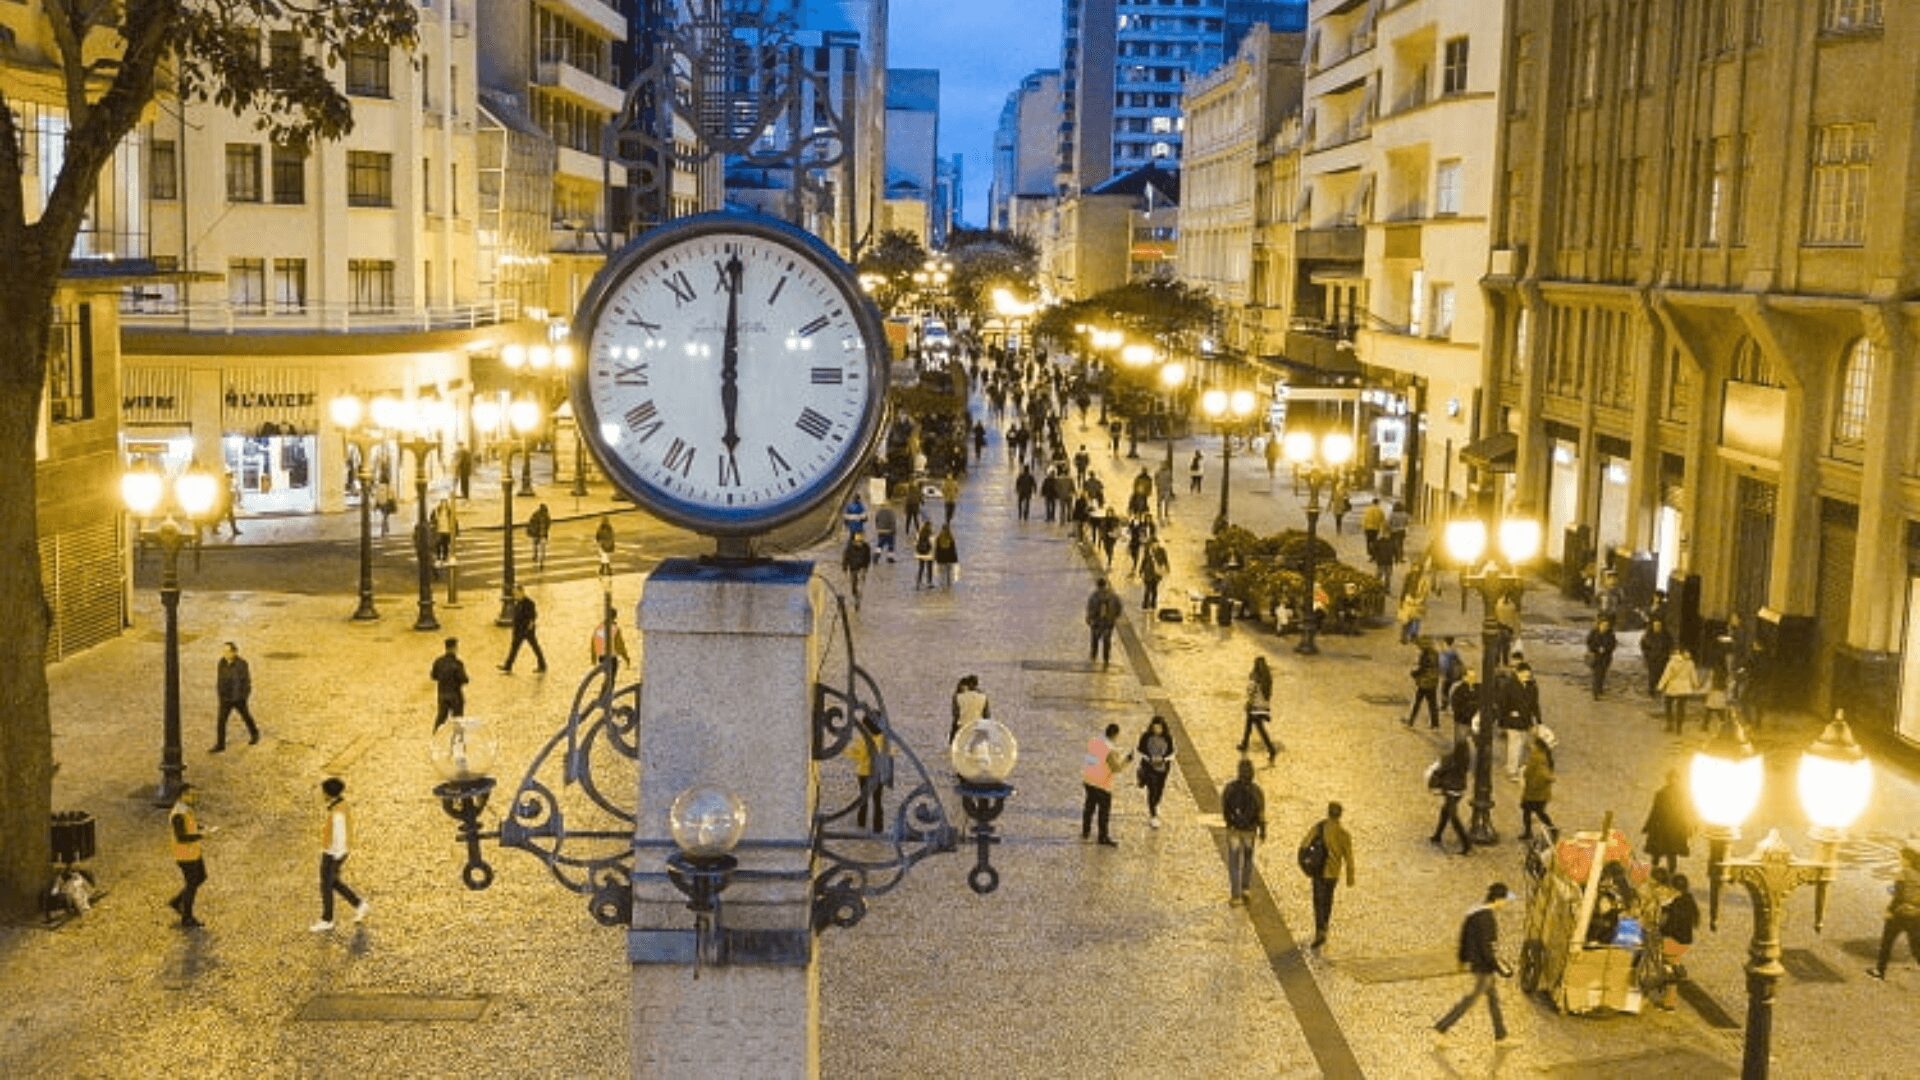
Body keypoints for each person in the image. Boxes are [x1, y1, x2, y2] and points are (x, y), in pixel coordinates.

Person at [1432, 882, 1516, 1045]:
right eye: (1505, 900)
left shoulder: (1474, 912)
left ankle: (1501, 1035)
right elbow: (1487, 948)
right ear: (1498, 900)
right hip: (1483, 967)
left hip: (1479, 964)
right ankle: (1441, 1028)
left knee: (1493, 999)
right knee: (1470, 1000)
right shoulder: (1488, 919)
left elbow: (1464, 937)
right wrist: (1499, 968)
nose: (1505, 904)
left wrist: (1461, 959)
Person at [310, 777, 369, 932]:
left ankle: (327, 919)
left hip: (333, 853)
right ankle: (359, 904)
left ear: (329, 795)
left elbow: (340, 836)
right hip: (338, 851)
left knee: (326, 885)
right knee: (333, 882)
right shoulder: (342, 804)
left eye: (323, 792)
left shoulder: (337, 813)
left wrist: (335, 856)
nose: (322, 795)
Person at [1301, 802, 1355, 948]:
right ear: (1340, 815)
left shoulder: (1319, 828)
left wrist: (1305, 863)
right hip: (1333, 874)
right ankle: (1325, 923)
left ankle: (1320, 930)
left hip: (1319, 870)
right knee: (1328, 898)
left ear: (1328, 812)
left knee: (1318, 900)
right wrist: (1350, 877)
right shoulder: (1344, 834)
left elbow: (1305, 844)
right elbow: (1349, 857)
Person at [1866, 836, 1920, 980]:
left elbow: (1898, 895)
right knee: (1916, 946)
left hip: (1900, 913)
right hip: (1916, 914)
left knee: (1886, 943)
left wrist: (1889, 910)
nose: (1900, 860)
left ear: (1907, 860)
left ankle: (1880, 971)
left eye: (1901, 858)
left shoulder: (1902, 873)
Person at [167, 784, 212, 929]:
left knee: (200, 877)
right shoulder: (178, 814)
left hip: (193, 852)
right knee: (192, 885)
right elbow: (182, 837)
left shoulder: (185, 810)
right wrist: (201, 835)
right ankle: (187, 918)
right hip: (185, 855)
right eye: (191, 795)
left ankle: (177, 901)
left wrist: (200, 828)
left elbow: (190, 825)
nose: (194, 798)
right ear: (183, 795)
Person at [1221, 759, 1266, 905]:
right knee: (1247, 859)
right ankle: (1246, 888)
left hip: (1234, 830)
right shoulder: (1257, 791)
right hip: (1250, 831)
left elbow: (1224, 806)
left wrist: (1230, 821)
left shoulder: (1230, 788)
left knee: (1234, 862)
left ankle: (1236, 895)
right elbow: (1261, 813)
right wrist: (1263, 830)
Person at [1081, 723, 1131, 846]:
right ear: (1115, 735)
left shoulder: (1094, 742)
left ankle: (1085, 831)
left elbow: (1091, 760)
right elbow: (1116, 768)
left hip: (1089, 780)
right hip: (1102, 784)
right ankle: (1102, 837)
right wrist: (1127, 760)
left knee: (1089, 807)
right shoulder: (1109, 750)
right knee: (1103, 812)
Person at [1656, 874, 1701, 1008]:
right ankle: (1669, 999)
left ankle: (1669, 1002)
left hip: (1673, 942)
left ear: (1674, 889)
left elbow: (1670, 926)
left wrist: (1660, 930)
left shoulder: (1676, 905)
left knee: (1668, 969)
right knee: (1672, 966)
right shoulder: (1688, 901)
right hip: (1684, 942)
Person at [1642, 768, 1694, 876]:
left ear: (1678, 779)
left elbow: (1687, 812)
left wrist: (1689, 826)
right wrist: (1648, 826)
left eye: (1675, 778)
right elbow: (1655, 811)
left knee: (1672, 853)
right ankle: (1654, 872)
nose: (1672, 780)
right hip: (1661, 828)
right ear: (1668, 779)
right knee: (1656, 852)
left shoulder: (1682, 796)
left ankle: (1671, 875)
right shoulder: (1661, 794)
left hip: (1675, 829)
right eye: (1671, 778)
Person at [212, 641, 260, 752]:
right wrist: (220, 694)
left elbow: (246, 682)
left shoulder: (242, 664)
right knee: (221, 721)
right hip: (225, 699)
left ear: (234, 652)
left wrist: (243, 696)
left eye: (228, 651)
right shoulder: (221, 663)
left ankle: (255, 733)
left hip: (238, 698)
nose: (225, 654)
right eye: (224, 651)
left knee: (246, 716)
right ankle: (220, 744)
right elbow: (220, 680)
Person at [846, 713, 889, 834]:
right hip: (879, 773)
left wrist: (846, 749)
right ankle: (878, 829)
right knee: (878, 801)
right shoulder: (884, 739)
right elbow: (890, 754)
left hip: (864, 773)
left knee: (863, 800)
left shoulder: (863, 740)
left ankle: (861, 825)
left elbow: (855, 754)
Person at [1428, 740, 1472, 855]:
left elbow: (1439, 769)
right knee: (1445, 811)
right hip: (1459, 790)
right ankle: (1437, 835)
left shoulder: (1450, 759)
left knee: (1453, 817)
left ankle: (1466, 843)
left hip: (1450, 790)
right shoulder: (1465, 761)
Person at [1498, 664, 1541, 780]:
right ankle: (1512, 770)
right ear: (1517, 673)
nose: (1526, 677)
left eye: (1528, 675)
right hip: (1513, 721)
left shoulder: (1532, 687)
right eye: (1524, 674)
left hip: (1525, 721)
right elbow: (1503, 704)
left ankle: (1512, 766)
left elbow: (1535, 705)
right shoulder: (1509, 686)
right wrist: (1503, 720)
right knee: (1514, 744)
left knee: (1520, 744)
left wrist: (1538, 721)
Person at [1136, 716, 1175, 828]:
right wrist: (1150, 758)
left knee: (1159, 789)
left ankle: (1156, 804)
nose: (1157, 730)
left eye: (1159, 728)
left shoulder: (1168, 738)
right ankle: (1153, 815)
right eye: (1155, 728)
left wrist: (1163, 759)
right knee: (1152, 790)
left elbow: (1171, 753)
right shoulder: (1146, 737)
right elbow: (1140, 751)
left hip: (1163, 769)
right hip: (1149, 768)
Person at [500, 585, 548, 673]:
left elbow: (533, 616)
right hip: (518, 630)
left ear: (522, 592)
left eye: (516, 593)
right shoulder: (517, 603)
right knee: (514, 648)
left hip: (527, 631)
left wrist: (529, 627)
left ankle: (542, 665)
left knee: (535, 648)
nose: (515, 595)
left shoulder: (530, 603)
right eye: (514, 594)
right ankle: (508, 666)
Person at [1519, 734, 1557, 842]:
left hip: (1534, 791)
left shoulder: (1536, 757)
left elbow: (1541, 774)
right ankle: (1530, 831)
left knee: (1535, 812)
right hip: (1537, 791)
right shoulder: (1543, 755)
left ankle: (1549, 829)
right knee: (1534, 811)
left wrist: (1530, 779)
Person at [1240, 657, 1278, 763]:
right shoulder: (1267, 679)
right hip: (1263, 708)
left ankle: (1271, 749)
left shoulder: (1255, 680)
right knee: (1248, 724)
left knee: (1260, 730)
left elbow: (1250, 692)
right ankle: (1244, 743)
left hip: (1255, 707)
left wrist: (1248, 703)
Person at [1657, 647, 1700, 733]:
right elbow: (1693, 675)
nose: (1689, 654)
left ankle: (1670, 724)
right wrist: (1696, 685)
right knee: (1681, 708)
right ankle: (1678, 728)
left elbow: (1666, 675)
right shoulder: (1690, 663)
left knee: (1668, 705)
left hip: (1673, 687)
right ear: (1682, 653)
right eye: (1687, 652)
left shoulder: (1672, 662)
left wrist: (1660, 686)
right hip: (1684, 688)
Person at [430, 637, 468, 731]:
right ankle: (457, 739)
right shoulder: (457, 663)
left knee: (441, 716)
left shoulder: (438, 662)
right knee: (458, 718)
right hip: (455, 696)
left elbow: (433, 676)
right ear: (454, 648)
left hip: (442, 694)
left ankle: (436, 732)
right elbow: (464, 679)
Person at [1086, 578, 1123, 667]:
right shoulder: (1113, 596)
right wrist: (1115, 616)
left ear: (1098, 585)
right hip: (1108, 622)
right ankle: (1106, 659)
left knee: (1095, 639)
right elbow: (1119, 607)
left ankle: (1094, 656)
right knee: (1107, 640)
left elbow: (1090, 608)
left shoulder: (1093, 596)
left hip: (1096, 622)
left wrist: (1089, 618)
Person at [1406, 640, 1442, 729]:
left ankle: (1410, 722)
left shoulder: (1424, 655)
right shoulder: (1435, 653)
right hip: (1433, 681)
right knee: (1432, 703)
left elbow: (1421, 669)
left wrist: (1413, 673)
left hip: (1424, 683)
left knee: (1417, 702)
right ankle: (1435, 724)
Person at [950, 675, 992, 744]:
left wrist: (952, 736)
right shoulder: (983, 697)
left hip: (962, 728)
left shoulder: (958, 697)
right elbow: (987, 716)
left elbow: (956, 717)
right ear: (977, 684)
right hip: (978, 728)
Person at [1640, 617, 1674, 698]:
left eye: (1659, 625)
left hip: (1663, 659)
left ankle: (1659, 689)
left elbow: (1670, 645)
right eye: (1655, 625)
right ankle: (1651, 690)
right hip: (1652, 658)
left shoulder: (1666, 635)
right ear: (1653, 626)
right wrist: (1647, 654)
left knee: (1661, 674)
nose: (1657, 627)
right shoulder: (1648, 635)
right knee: (1652, 675)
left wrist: (1666, 654)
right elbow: (1643, 646)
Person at [843, 531, 873, 608]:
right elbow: (845, 558)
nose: (860, 543)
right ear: (854, 541)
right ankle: (855, 596)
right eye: (858, 542)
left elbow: (868, 559)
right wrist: (845, 568)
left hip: (862, 568)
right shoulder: (849, 548)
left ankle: (858, 599)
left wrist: (866, 568)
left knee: (860, 585)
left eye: (861, 541)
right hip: (853, 568)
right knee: (853, 585)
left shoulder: (866, 547)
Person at [1139, 533, 1167, 612]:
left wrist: (1166, 569)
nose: (1154, 545)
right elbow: (1144, 561)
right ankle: (1145, 605)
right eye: (1152, 544)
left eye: (1155, 543)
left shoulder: (1162, 551)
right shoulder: (1148, 551)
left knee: (1154, 590)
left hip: (1156, 574)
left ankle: (1153, 605)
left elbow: (1165, 560)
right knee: (1147, 589)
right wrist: (1141, 571)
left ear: (1157, 543)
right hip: (1148, 573)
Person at [1437, 636, 1465, 711]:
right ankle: (1447, 705)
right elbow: (1460, 662)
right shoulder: (1453, 651)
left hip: (1448, 674)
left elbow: (1443, 663)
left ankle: (1445, 705)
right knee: (1448, 690)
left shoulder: (1446, 652)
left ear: (1445, 642)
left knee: (1444, 690)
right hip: (1453, 674)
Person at [432, 497, 458, 567]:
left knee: (445, 545)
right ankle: (438, 558)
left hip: (447, 531)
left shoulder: (450, 512)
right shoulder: (436, 511)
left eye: (445, 503)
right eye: (442, 503)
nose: (443, 504)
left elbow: (454, 521)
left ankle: (444, 558)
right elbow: (432, 520)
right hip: (439, 530)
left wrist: (455, 532)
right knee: (437, 545)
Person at [933, 522, 959, 588]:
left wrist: (935, 556)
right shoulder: (951, 538)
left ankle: (942, 584)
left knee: (942, 572)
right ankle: (948, 583)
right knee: (948, 571)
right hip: (949, 557)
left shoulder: (939, 538)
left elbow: (937, 548)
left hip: (941, 557)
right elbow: (953, 549)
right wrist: (955, 558)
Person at [527, 503, 552, 570]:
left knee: (540, 548)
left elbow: (548, 524)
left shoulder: (543, 516)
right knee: (538, 547)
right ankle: (537, 557)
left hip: (540, 534)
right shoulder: (537, 515)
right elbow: (548, 524)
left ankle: (541, 561)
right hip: (538, 534)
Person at [913, 522, 936, 589]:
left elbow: (915, 544)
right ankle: (929, 582)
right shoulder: (931, 535)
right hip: (928, 555)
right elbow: (933, 544)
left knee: (921, 568)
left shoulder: (918, 534)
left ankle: (918, 582)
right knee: (929, 569)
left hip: (920, 554)